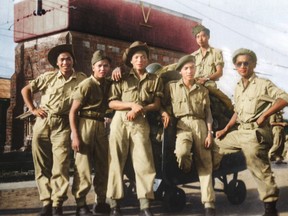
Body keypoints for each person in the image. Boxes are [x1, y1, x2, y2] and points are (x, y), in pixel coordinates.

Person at [214, 48, 288, 216]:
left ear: (254, 64)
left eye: (246, 63)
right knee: (213, 145)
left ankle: (270, 208)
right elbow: (237, 112)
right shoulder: (238, 87)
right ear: (235, 66)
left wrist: (265, 115)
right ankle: (220, 185)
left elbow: (285, 97)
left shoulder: (263, 84)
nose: (243, 66)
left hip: (255, 133)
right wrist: (225, 129)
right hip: (240, 131)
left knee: (258, 165)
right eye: (239, 64)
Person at [21, 44, 87, 216]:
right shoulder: (48, 77)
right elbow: (26, 90)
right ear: (57, 63)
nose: (66, 62)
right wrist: (33, 109)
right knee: (41, 165)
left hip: (64, 124)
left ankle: (58, 204)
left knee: (61, 164)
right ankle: (46, 203)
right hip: (43, 122)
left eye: (69, 59)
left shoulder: (81, 79)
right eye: (62, 59)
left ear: (73, 61)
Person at [106, 41, 163, 216]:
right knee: (115, 160)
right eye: (136, 57)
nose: (140, 60)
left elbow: (157, 104)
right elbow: (112, 102)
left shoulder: (155, 79)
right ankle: (114, 204)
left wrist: (140, 109)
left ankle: (145, 205)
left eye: (143, 57)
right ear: (131, 60)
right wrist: (131, 105)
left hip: (140, 121)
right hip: (120, 121)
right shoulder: (121, 77)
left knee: (144, 161)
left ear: (147, 60)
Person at [164, 55, 216, 216]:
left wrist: (209, 134)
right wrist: (163, 113)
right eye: (186, 68)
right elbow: (164, 104)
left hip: (200, 124)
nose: (190, 71)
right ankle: (187, 169)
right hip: (182, 125)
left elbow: (208, 114)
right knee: (182, 153)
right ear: (180, 71)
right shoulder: (171, 87)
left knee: (206, 163)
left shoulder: (203, 90)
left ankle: (209, 204)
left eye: (192, 67)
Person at [69, 50, 112, 216]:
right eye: (99, 66)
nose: (103, 69)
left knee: (103, 166)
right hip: (85, 124)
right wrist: (75, 135)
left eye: (106, 66)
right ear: (93, 67)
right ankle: (81, 203)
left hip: (101, 125)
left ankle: (100, 202)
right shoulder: (86, 84)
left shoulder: (107, 84)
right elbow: (73, 112)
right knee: (83, 167)